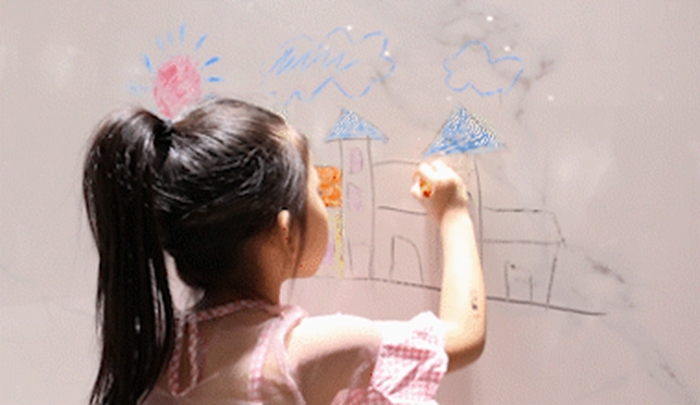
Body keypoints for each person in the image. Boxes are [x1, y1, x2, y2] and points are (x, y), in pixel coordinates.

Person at [82, 97, 486, 405]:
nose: (326, 204)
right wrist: (454, 215)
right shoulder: (313, 349)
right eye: (317, 191)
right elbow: (462, 336)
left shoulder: (154, 353)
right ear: (285, 231)